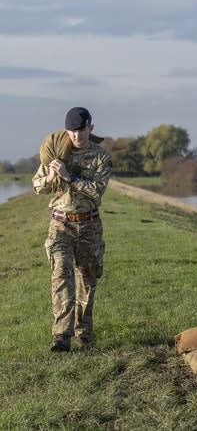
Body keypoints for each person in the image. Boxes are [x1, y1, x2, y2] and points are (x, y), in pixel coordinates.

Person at [32, 107, 112, 352]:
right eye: (72, 131)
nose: (76, 136)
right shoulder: (56, 152)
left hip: (88, 225)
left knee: (87, 281)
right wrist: (49, 177)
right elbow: (37, 186)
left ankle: (83, 334)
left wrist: (69, 177)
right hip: (60, 224)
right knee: (61, 277)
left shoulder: (100, 156)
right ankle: (61, 336)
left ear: (90, 128)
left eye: (81, 130)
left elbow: (97, 191)